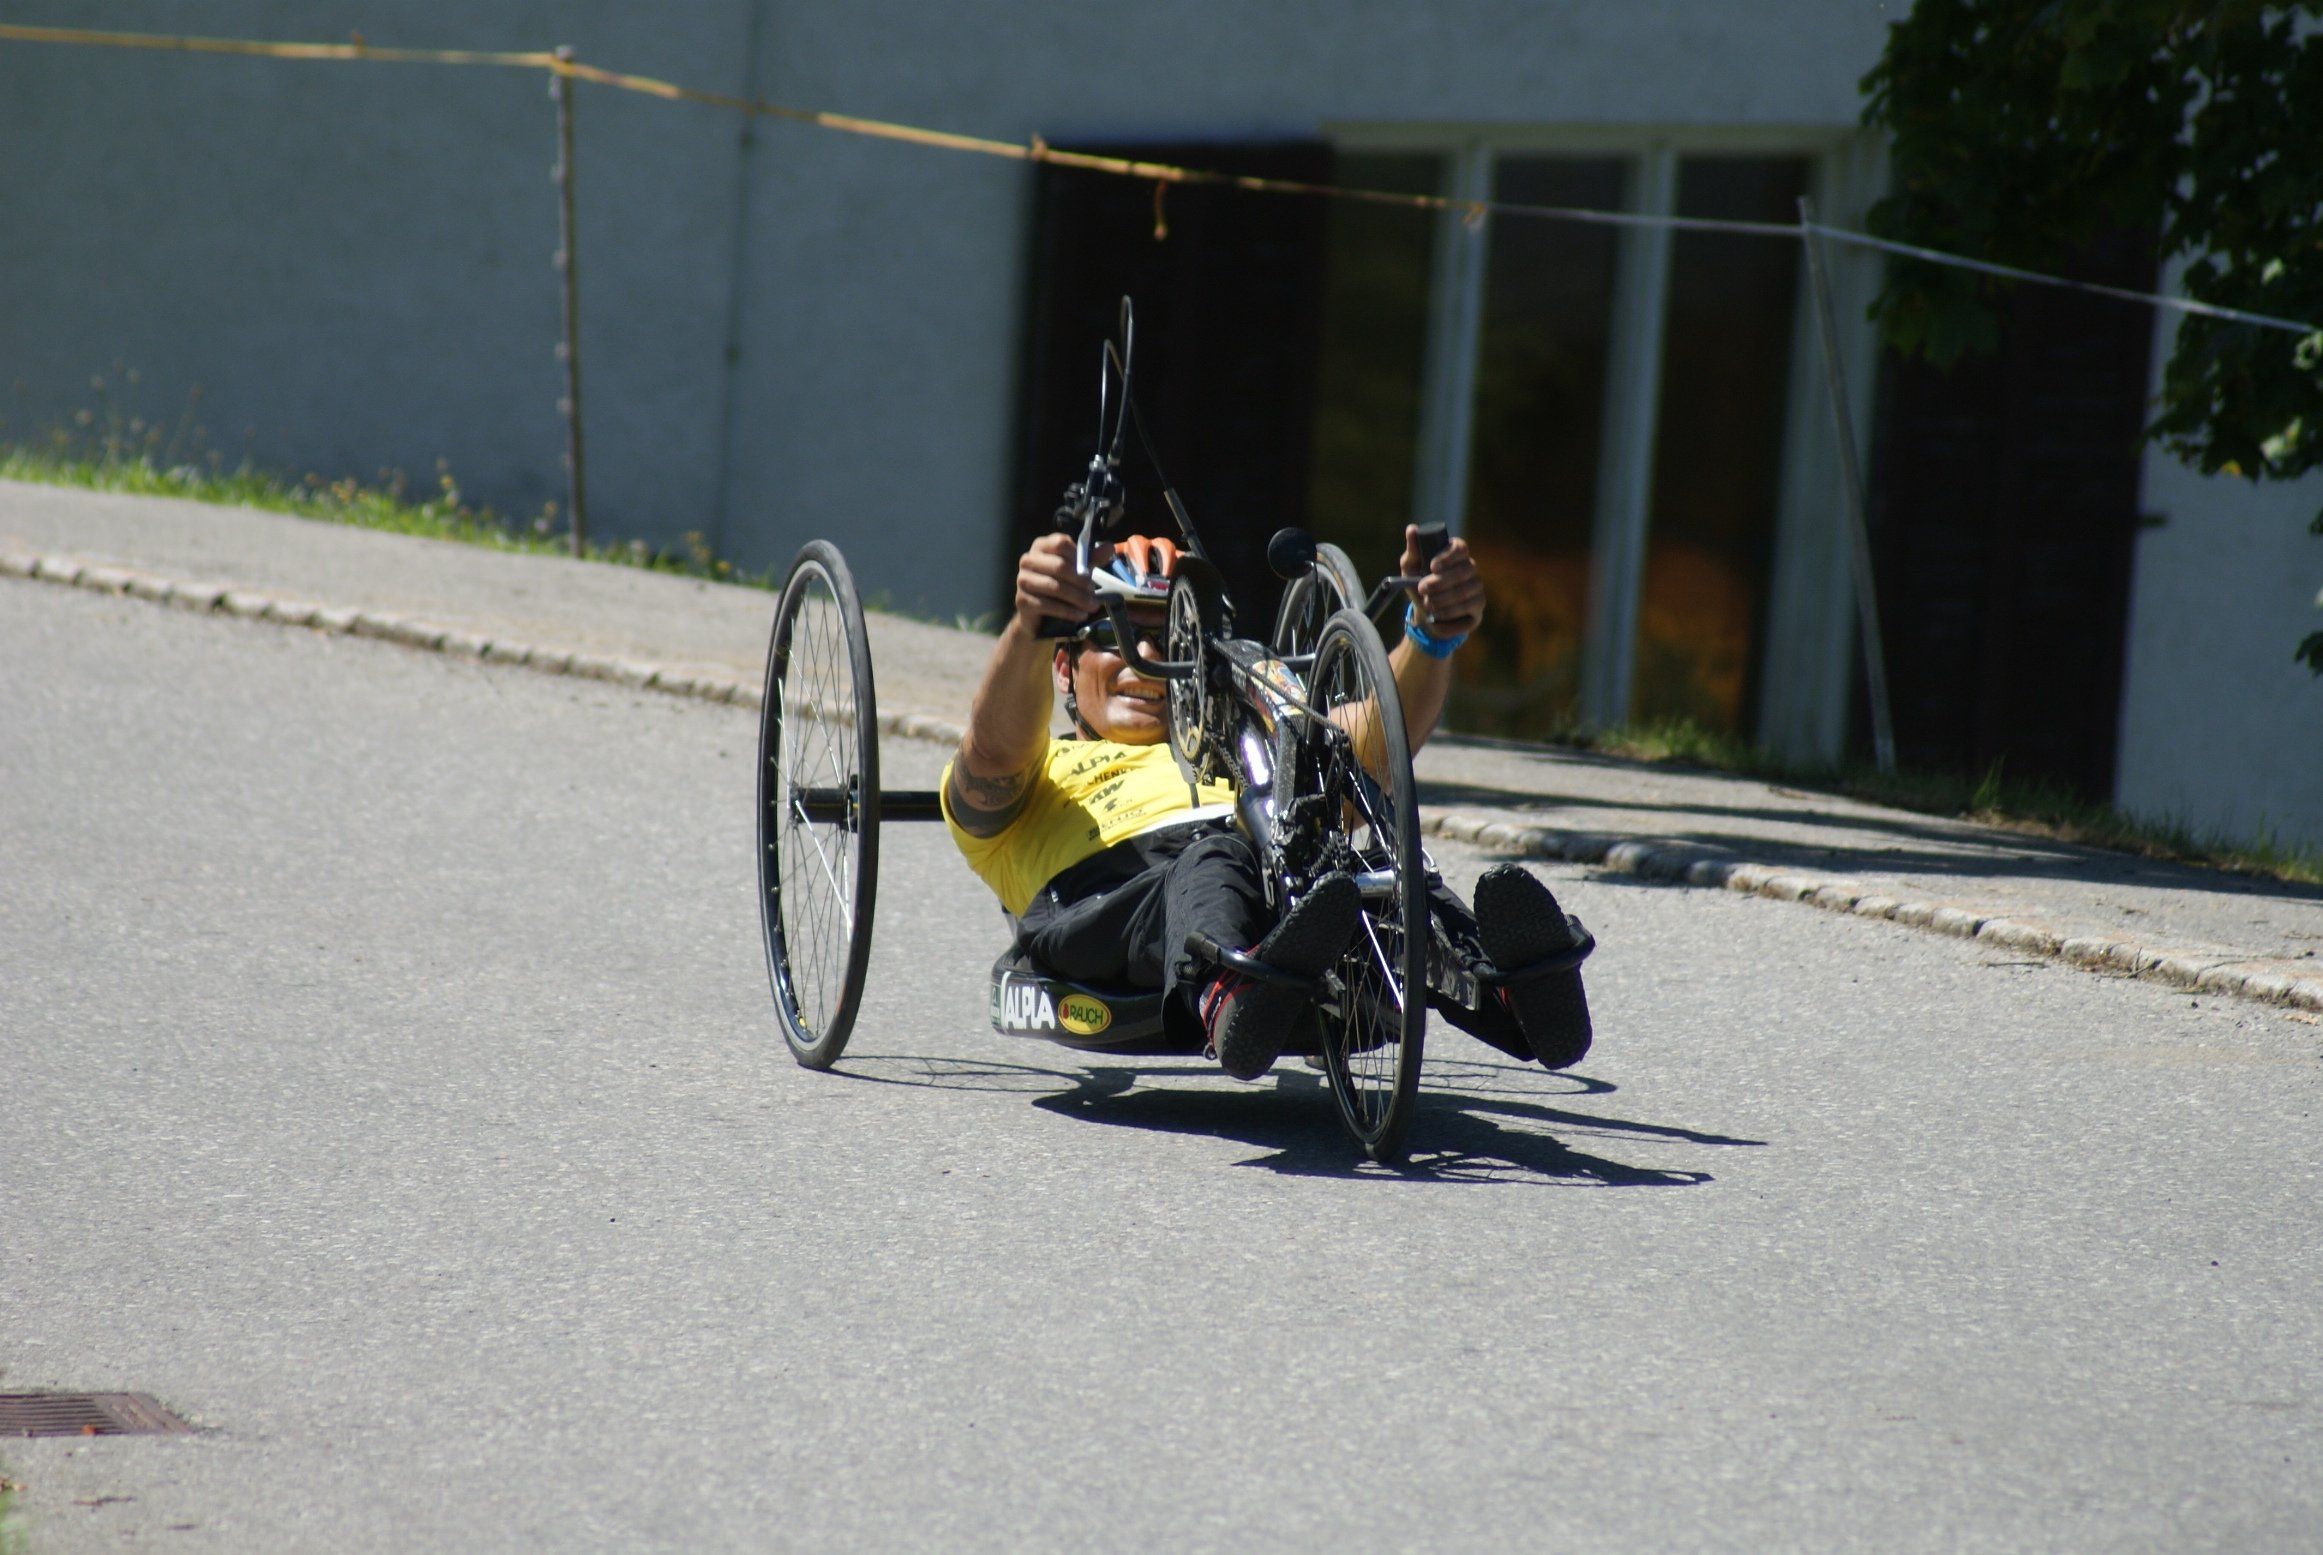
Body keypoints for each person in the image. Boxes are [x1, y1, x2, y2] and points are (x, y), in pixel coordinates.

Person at [939, 525, 1592, 1080]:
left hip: (1269, 892)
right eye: (1117, 637)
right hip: (1106, 911)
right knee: (1213, 856)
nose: (1148, 659)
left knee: (1381, 873)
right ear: (1063, 666)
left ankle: (1508, 991)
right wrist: (1032, 625)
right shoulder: (1037, 772)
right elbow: (992, 751)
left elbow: (1366, 747)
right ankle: (1233, 994)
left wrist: (1429, 635)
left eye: (1174, 643)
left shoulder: (1237, 749)